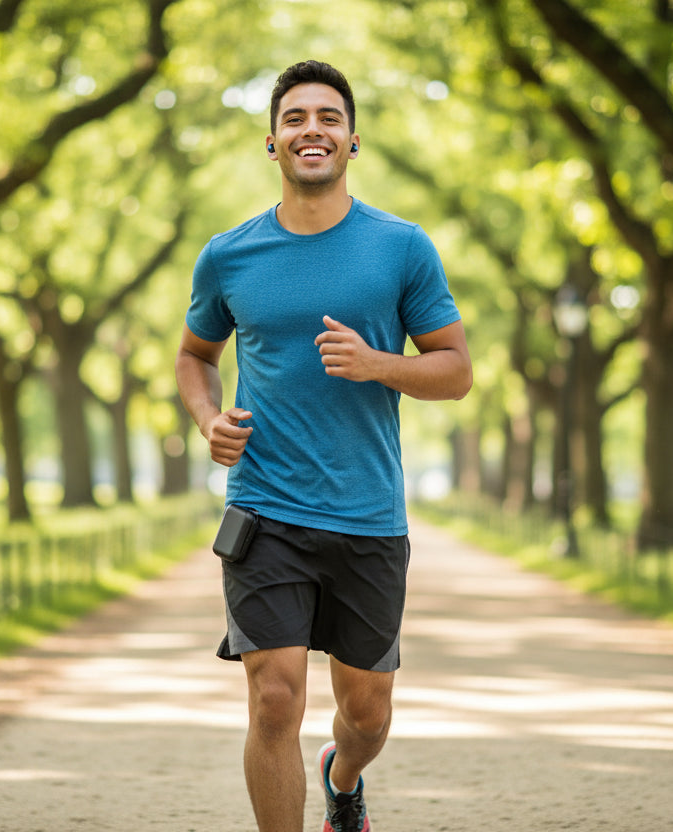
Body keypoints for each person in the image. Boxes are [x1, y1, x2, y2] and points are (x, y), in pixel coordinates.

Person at [175, 59, 471, 832]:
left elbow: (457, 370)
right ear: (271, 142)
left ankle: (343, 777)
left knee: (366, 716)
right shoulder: (229, 255)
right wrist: (208, 418)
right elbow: (193, 356)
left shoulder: (402, 249)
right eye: (296, 118)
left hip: (369, 513)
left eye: (328, 118)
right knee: (274, 698)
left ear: (353, 141)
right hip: (264, 510)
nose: (313, 129)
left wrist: (379, 364)